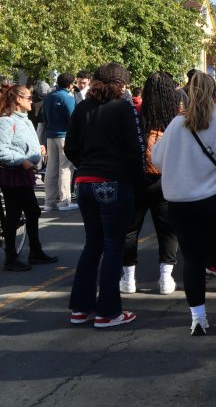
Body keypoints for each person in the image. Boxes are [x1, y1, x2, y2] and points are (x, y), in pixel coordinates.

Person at [152, 72, 216, 339]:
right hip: (215, 201)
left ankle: (198, 320)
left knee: (193, 260)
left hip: (179, 203)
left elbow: (158, 160)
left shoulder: (176, 125)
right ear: (215, 95)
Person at [65, 63, 144, 328]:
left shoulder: (82, 108)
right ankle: (108, 312)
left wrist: (86, 164)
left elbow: (70, 147)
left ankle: (80, 308)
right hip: (113, 181)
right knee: (112, 247)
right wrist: (136, 182)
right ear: (120, 84)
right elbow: (136, 150)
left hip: (85, 181)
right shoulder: (124, 108)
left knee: (93, 244)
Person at [120, 72, 180, 296]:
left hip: (137, 178)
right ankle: (165, 278)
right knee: (167, 229)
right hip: (166, 179)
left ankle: (128, 279)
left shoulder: (136, 115)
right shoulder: (175, 118)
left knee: (130, 228)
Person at [0, 85, 57, 271]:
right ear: (18, 99)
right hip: (11, 174)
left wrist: (37, 151)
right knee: (13, 215)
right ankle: (11, 257)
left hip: (23, 173)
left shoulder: (24, 120)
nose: (31, 100)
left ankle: (35, 252)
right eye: (28, 97)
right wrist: (22, 161)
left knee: (32, 211)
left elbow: (25, 144)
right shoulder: (4, 121)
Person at [42, 73, 78, 211]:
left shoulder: (49, 96)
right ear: (70, 85)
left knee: (51, 167)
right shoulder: (68, 97)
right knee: (65, 167)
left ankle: (49, 202)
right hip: (64, 135)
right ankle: (64, 201)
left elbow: (44, 116)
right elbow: (72, 118)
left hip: (50, 134)